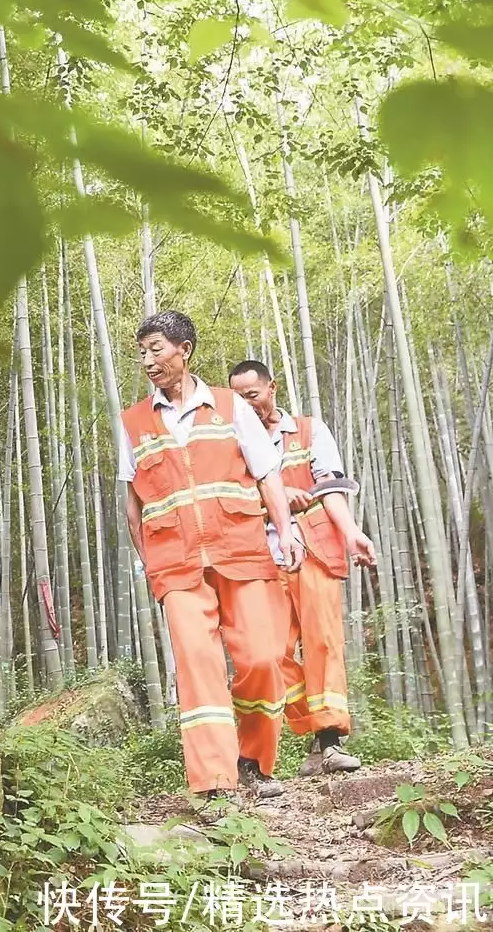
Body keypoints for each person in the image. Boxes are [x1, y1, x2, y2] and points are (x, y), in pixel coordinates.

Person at [118, 311, 304, 808]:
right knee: (197, 666)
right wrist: (148, 562)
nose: (148, 361)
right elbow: (133, 503)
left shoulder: (229, 407)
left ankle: (253, 761)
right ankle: (214, 783)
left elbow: (268, 474)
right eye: (142, 353)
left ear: (185, 349)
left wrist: (285, 531)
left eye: (157, 349)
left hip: (241, 551)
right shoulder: (132, 421)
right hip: (175, 564)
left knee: (263, 658)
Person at [229, 359, 376, 776]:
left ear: (271, 388)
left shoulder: (309, 431)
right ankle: (307, 726)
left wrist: (350, 533)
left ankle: (329, 742)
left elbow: (330, 487)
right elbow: (230, 499)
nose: (247, 405)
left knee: (323, 642)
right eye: (238, 399)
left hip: (313, 548)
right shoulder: (230, 442)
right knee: (269, 653)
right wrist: (273, 498)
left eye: (252, 396)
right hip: (260, 556)